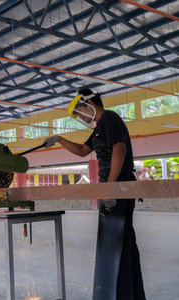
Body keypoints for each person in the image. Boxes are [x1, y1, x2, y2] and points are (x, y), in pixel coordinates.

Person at [43, 88, 146, 300]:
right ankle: (128, 293)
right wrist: (59, 139)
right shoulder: (100, 127)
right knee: (119, 240)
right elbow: (82, 150)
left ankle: (122, 294)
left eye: (80, 112)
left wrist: (110, 187)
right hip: (109, 187)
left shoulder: (109, 118)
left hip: (117, 186)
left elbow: (120, 150)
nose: (81, 117)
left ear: (89, 103)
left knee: (116, 241)